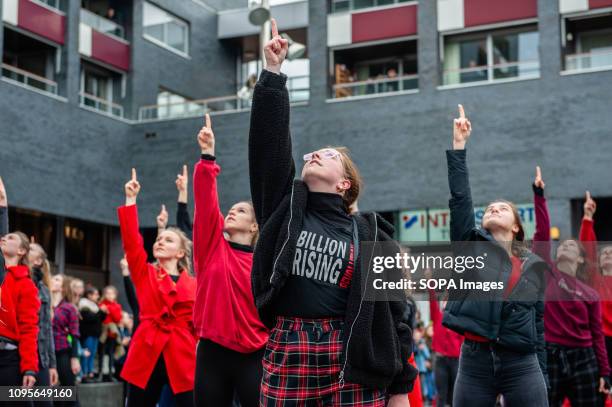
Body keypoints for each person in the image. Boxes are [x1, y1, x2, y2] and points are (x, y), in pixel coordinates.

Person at [249, 18, 417, 406]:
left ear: (345, 183)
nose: (315, 154)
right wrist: (273, 74)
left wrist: (400, 389)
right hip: (290, 349)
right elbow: (268, 151)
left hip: (351, 356)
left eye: (328, 155)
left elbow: (396, 317)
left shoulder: (373, 236)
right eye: (315, 152)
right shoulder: (285, 209)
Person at [442, 105, 550, 406]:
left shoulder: (533, 266)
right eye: (490, 207)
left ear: (516, 226)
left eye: (502, 208)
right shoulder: (471, 245)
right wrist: (459, 145)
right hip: (474, 363)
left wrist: (543, 376)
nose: (493, 209)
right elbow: (461, 198)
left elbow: (538, 327)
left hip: (522, 363)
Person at [192, 114, 268, 407]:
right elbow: (207, 202)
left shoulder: (264, 262)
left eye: (241, 211)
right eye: (231, 209)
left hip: (255, 355)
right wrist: (208, 156)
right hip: (212, 353)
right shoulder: (212, 247)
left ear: (254, 227)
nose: (232, 212)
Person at [118, 168, 196, 407]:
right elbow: (132, 243)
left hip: (183, 353)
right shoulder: (146, 273)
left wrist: (183, 194)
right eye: (159, 239)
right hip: (147, 351)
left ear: (181, 252)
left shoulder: (195, 283)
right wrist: (131, 200)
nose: (160, 241)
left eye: (168, 240)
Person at [0, 228, 40, 389]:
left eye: (10, 238)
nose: (4, 238)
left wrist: (29, 368)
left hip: (8, 359)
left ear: (21, 250)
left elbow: (29, 328)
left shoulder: (26, 285)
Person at [580, 192, 612, 384]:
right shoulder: (594, 279)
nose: (608, 254)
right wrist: (587, 217)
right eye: (605, 252)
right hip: (601, 342)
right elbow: (587, 249)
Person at [426, 268, 463, 407]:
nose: (446, 303)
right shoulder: (437, 316)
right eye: (445, 301)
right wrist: (430, 282)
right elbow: (432, 300)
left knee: (454, 395)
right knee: (441, 395)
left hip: (455, 360)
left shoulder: (458, 318)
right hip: (440, 360)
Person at [28, 242, 60, 403]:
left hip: (41, 358)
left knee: (44, 402)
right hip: (16, 358)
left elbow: (47, 331)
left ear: (38, 260)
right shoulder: (9, 278)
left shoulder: (44, 291)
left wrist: (52, 365)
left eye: (31, 248)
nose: (27, 247)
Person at [51, 274, 81, 406]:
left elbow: (74, 334)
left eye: (57, 279)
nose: (52, 279)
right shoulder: (44, 303)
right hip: (46, 353)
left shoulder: (69, 308)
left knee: (68, 390)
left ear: (63, 288)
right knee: (53, 391)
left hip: (62, 351)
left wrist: (74, 358)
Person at [79, 286, 106, 382]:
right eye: (95, 294)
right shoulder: (84, 305)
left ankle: (90, 373)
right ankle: (84, 374)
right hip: (88, 334)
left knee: (92, 354)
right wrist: (100, 311)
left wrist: (103, 312)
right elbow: (89, 318)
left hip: (95, 334)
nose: (97, 296)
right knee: (86, 354)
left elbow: (100, 319)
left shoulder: (95, 305)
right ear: (89, 295)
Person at [99, 285, 122, 382]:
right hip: (102, 333)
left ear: (115, 295)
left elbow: (117, 319)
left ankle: (110, 374)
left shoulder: (117, 306)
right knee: (101, 354)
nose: (109, 295)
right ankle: (100, 374)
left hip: (112, 334)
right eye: (107, 293)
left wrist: (109, 309)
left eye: (111, 293)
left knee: (111, 354)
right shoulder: (101, 304)